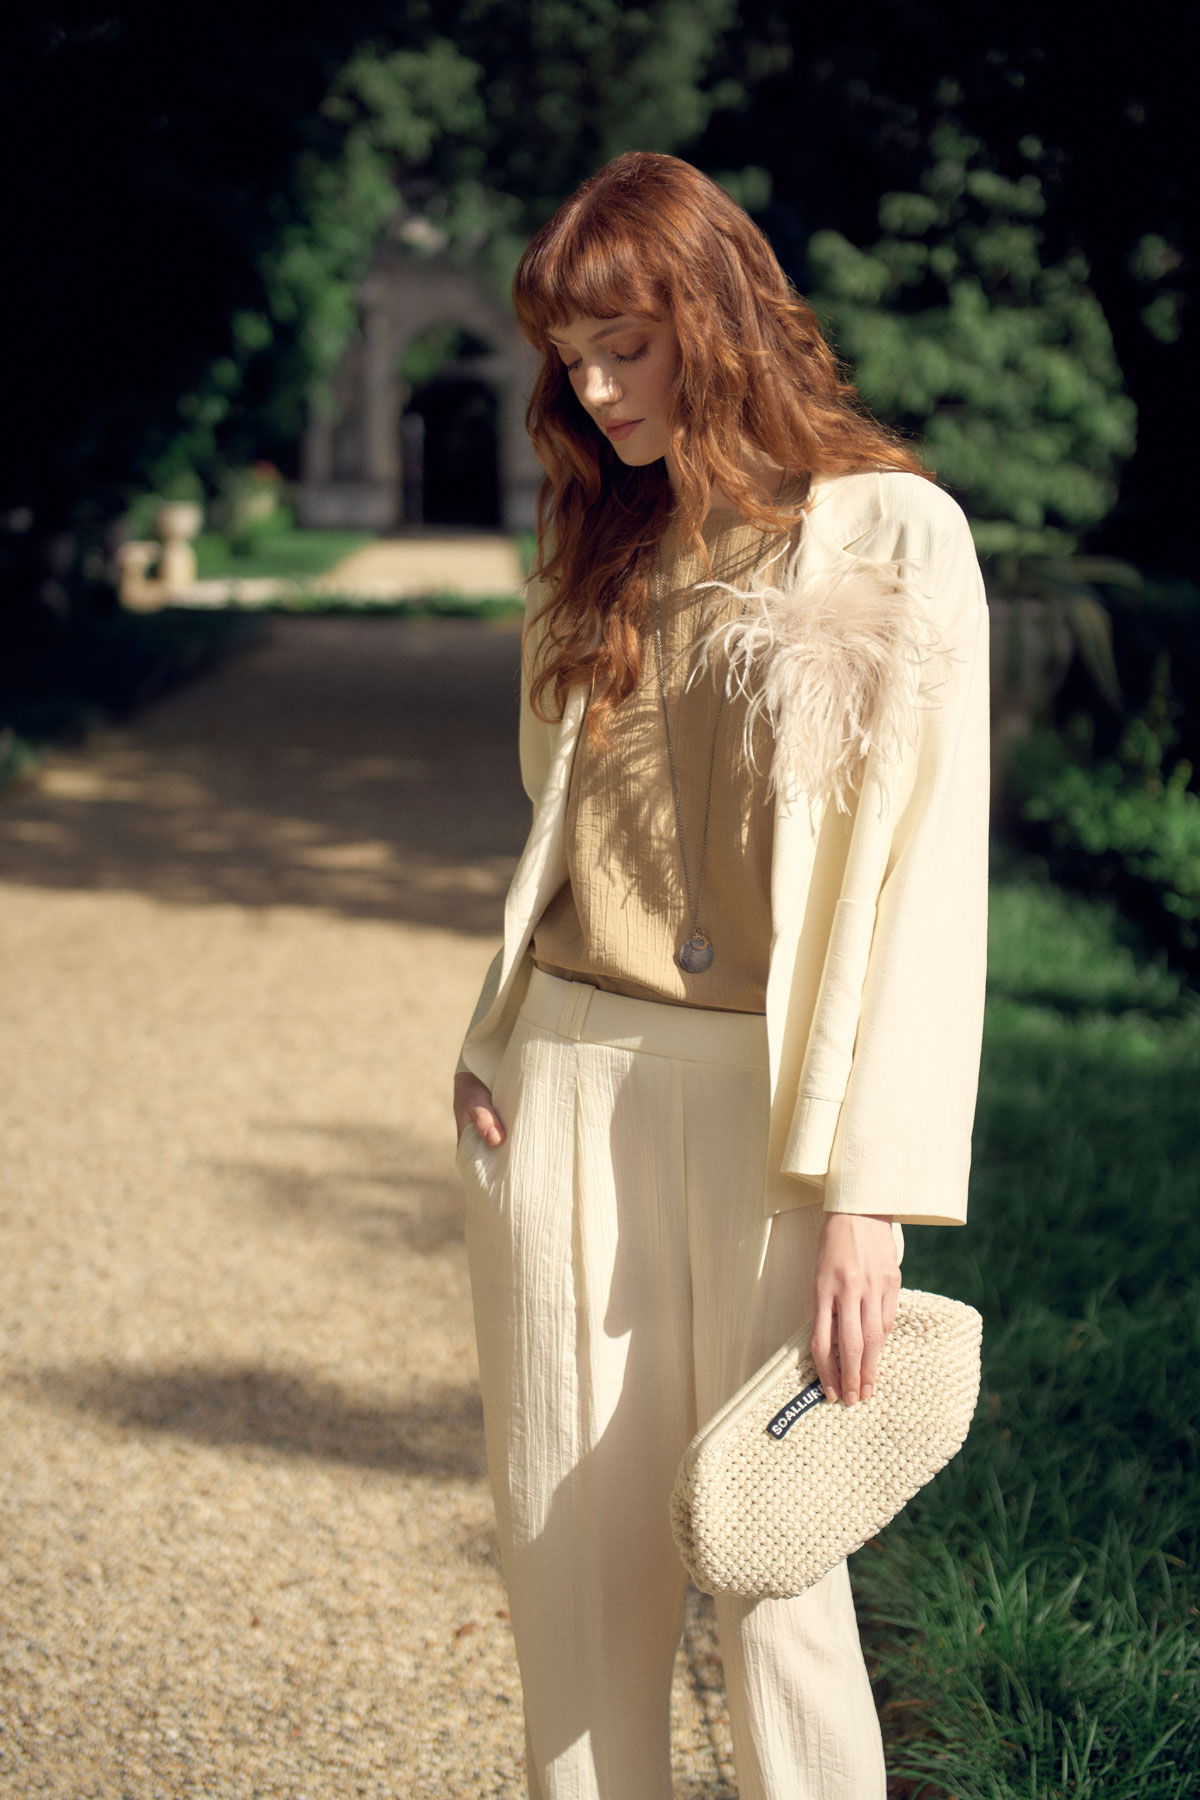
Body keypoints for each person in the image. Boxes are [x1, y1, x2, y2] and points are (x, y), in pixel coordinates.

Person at [452, 150, 989, 1800]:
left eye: (626, 346)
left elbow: (929, 891)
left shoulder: (893, 532)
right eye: (571, 359)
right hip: (563, 1076)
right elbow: (562, 823)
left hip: (778, 1112)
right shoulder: (596, 536)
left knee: (777, 1574)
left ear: (716, 317)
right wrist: (494, 1032)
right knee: (569, 1565)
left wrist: (872, 1197)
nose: (595, 390)